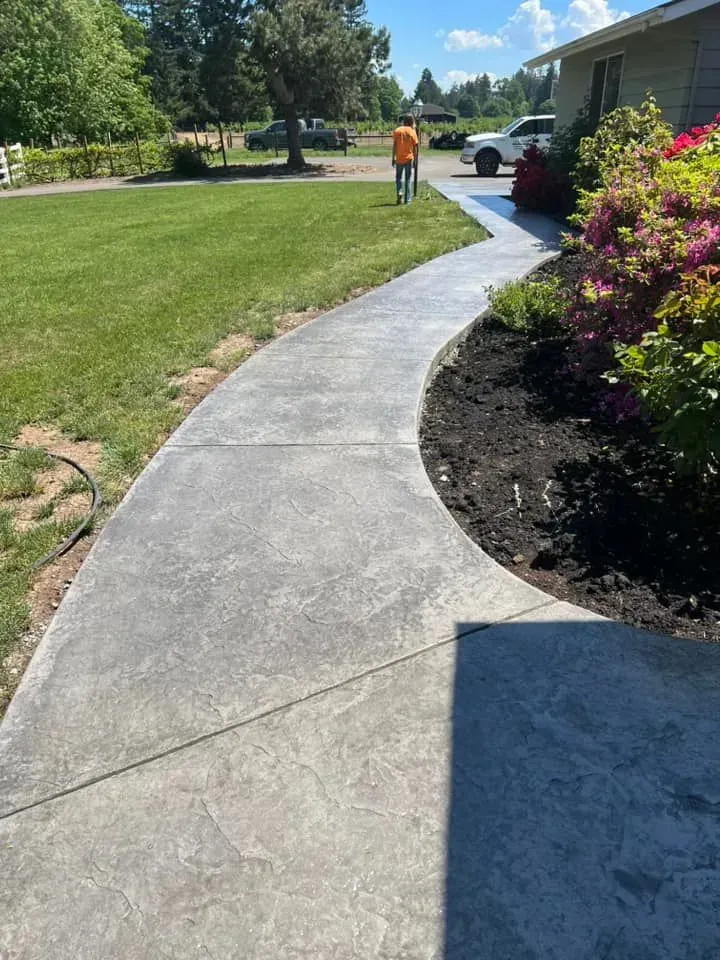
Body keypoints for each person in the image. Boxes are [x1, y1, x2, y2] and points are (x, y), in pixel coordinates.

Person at [392, 115, 418, 205]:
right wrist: (415, 160)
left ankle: (399, 191)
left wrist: (393, 158)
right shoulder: (412, 132)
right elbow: (415, 147)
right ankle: (407, 200)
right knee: (408, 178)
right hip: (409, 158)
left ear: (404, 121)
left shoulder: (397, 130)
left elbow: (394, 145)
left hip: (399, 158)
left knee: (398, 177)